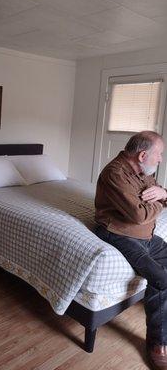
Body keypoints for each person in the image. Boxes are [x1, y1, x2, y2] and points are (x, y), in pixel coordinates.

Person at [94, 131, 167, 370]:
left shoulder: (143, 171)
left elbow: (159, 192)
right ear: (143, 154)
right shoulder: (114, 173)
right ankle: (158, 343)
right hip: (119, 234)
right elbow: (138, 215)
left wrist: (163, 194)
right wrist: (159, 201)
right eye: (159, 155)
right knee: (161, 278)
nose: (159, 160)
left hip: (146, 236)